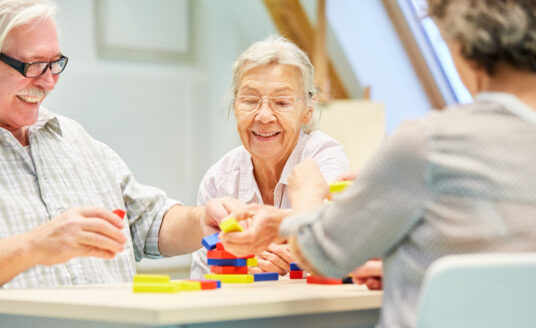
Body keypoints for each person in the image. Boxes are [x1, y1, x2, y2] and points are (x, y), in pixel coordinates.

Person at [218, 1, 536, 327]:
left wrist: (308, 194)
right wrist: (409, 271)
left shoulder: (426, 143)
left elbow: (321, 253)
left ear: (464, 46)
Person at [0, 0, 224, 288]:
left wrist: (203, 221)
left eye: (54, 64)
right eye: (33, 65)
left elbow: (146, 222)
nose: (49, 82)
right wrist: (34, 246)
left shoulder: (73, 138)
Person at [190, 36, 350, 279]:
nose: (264, 116)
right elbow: (204, 277)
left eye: (282, 102)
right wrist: (240, 272)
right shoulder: (219, 180)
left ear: (307, 110)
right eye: (250, 100)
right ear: (235, 106)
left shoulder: (324, 155)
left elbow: (333, 223)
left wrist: (285, 234)